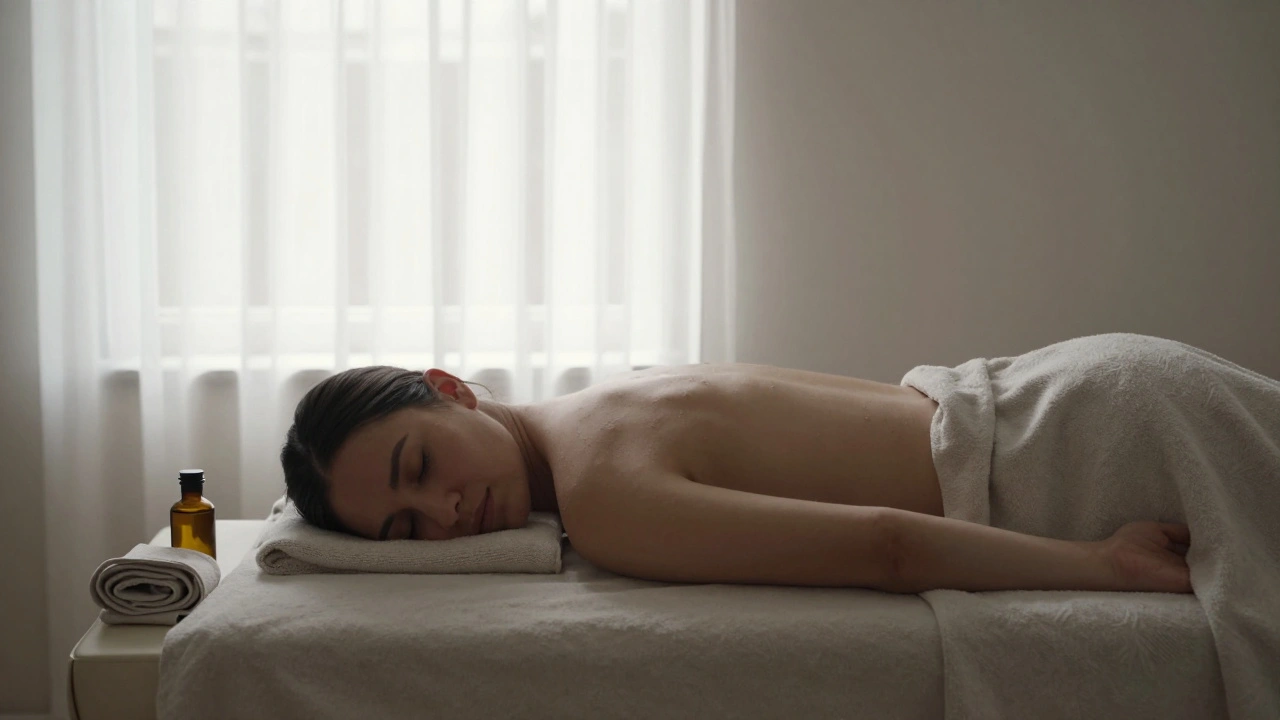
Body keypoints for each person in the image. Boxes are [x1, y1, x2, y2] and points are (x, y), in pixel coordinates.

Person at [281, 334, 1270, 596]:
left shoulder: (602, 494)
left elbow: (880, 550)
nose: (443, 510)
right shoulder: (606, 395)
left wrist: (1102, 566)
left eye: (418, 467)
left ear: (450, 387)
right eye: (406, 529)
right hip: (1081, 386)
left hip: (1078, 445)